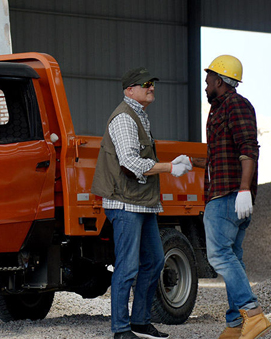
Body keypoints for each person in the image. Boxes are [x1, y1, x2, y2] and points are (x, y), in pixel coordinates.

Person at [91, 67, 192, 339]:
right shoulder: (124, 118)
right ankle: (121, 329)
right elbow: (129, 162)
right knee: (127, 267)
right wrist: (169, 167)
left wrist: (169, 166)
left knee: (155, 261)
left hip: (142, 203)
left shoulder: (139, 116)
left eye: (152, 84)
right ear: (129, 90)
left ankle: (140, 322)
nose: (151, 87)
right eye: (145, 84)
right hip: (125, 204)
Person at [190, 55, 271, 339]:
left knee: (219, 255)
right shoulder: (219, 108)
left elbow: (248, 148)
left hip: (228, 196)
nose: (205, 82)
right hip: (227, 193)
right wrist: (193, 163)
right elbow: (221, 157)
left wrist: (244, 188)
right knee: (233, 256)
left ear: (221, 81)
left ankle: (253, 313)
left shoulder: (236, 105)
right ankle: (236, 324)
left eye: (209, 78)